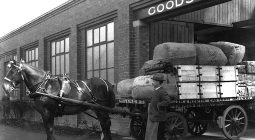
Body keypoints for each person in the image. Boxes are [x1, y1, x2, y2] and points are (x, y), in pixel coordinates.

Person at [145, 73, 171, 140]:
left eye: (154, 81)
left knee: (159, 136)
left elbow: (167, 101)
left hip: (159, 118)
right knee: (154, 135)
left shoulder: (162, 91)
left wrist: (158, 105)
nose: (153, 82)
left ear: (158, 82)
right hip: (154, 117)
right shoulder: (155, 90)